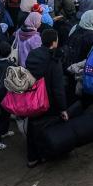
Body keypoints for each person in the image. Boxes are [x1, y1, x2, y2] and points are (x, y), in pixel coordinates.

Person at [24, 28, 67, 168]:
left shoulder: (33, 54)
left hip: (32, 97)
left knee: (32, 126)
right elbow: (58, 87)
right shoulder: (54, 60)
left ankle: (32, 157)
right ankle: (43, 154)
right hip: (48, 100)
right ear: (54, 42)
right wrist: (62, 108)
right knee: (46, 128)